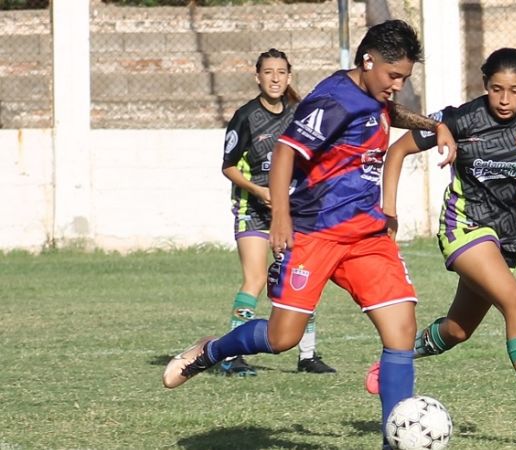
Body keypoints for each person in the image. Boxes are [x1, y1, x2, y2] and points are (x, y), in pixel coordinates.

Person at [162, 20, 456, 449]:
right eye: (394, 76)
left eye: (404, 78)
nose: (397, 86)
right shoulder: (331, 100)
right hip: (315, 233)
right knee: (283, 338)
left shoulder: (373, 95)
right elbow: (285, 151)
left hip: (366, 236)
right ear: (368, 61)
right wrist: (281, 217)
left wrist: (433, 125)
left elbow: (386, 113)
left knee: (400, 330)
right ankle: (210, 351)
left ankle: (391, 443)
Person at [369, 47, 516, 443]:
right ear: (485, 85)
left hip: (507, 237)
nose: (504, 99)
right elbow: (397, 151)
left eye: (514, 90)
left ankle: (395, 361)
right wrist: (389, 213)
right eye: (496, 89)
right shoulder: (461, 118)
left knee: (457, 330)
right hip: (464, 227)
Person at [220, 48, 335, 376]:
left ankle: (307, 356)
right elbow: (228, 166)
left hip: (290, 211)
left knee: (301, 279)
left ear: (289, 77)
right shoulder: (245, 116)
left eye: (281, 72)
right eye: (268, 72)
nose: (275, 78)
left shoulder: (299, 115)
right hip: (252, 209)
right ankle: (231, 356)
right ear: (258, 77)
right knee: (255, 279)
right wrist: (259, 191)